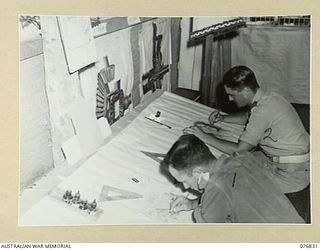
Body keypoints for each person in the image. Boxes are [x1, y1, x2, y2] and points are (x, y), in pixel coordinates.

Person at [184, 65, 309, 194]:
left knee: (230, 184)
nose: (229, 99)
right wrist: (223, 118)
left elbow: (240, 149)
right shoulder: (269, 98)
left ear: (245, 91)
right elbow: (249, 117)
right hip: (293, 164)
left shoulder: (263, 111)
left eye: (232, 95)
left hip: (292, 174)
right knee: (230, 166)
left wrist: (204, 136)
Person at [161, 134, 304, 223]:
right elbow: (231, 196)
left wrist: (198, 211)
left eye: (184, 181)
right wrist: (193, 204)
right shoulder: (242, 159)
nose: (185, 187)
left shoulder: (217, 186)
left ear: (198, 172)